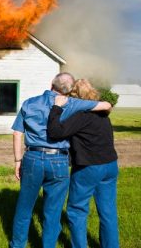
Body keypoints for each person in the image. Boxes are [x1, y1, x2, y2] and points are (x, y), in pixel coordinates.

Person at [9, 73, 112, 248]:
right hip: (58, 160)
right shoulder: (72, 104)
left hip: (32, 158)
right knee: (53, 211)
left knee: (24, 208)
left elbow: (17, 133)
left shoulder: (29, 103)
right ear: (70, 90)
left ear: (51, 84)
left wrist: (18, 161)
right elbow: (106, 105)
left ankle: (17, 245)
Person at [47, 79, 119, 248]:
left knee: (77, 211)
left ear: (74, 96)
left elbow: (55, 132)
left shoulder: (81, 116)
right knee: (108, 212)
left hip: (88, 167)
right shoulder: (103, 115)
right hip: (110, 165)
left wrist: (56, 109)